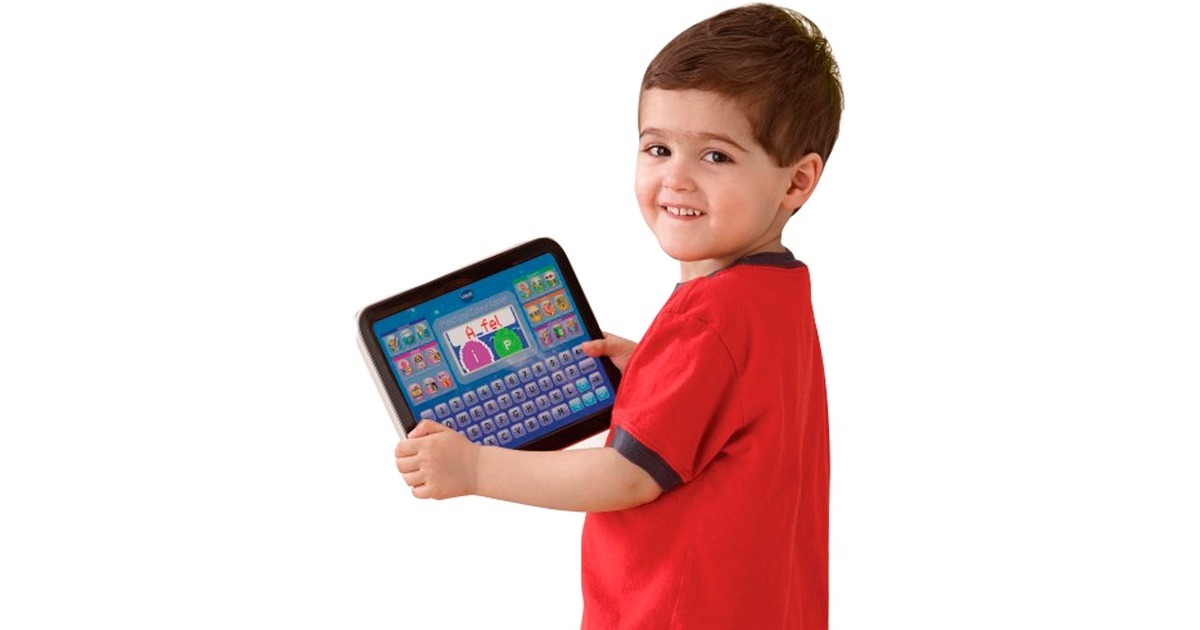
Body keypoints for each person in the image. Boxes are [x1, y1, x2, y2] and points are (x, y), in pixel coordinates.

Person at [394, 3, 841, 627]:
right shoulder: (778, 292)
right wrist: (658, 374)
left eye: (716, 156)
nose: (676, 179)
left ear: (796, 182)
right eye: (658, 148)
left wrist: (474, 467)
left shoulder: (709, 318)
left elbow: (626, 477)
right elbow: (741, 416)